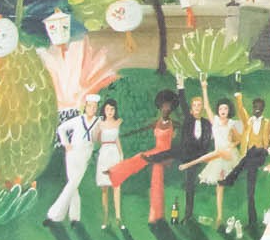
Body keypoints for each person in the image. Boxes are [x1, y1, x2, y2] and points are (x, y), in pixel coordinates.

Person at [106, 89, 178, 224]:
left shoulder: (174, 124)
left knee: (156, 179)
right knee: (146, 166)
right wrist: (124, 134)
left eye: (168, 109)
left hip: (164, 154)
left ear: (171, 110)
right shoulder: (156, 123)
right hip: (156, 151)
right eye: (163, 108)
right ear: (160, 108)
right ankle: (115, 172)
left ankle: (156, 216)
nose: (165, 110)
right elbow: (140, 130)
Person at [178, 79, 241, 230]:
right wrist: (204, 87)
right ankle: (219, 216)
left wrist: (231, 146)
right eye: (220, 109)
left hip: (228, 155)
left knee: (222, 183)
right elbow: (206, 106)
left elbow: (239, 139)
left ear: (228, 111)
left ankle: (223, 217)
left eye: (225, 109)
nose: (223, 111)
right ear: (218, 111)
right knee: (219, 185)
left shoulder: (231, 124)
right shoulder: (216, 122)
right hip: (219, 154)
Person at [220, 90, 270, 229]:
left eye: (259, 107)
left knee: (252, 152)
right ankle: (252, 220)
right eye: (254, 107)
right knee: (250, 189)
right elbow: (240, 109)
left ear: (263, 109)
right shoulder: (249, 121)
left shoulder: (268, 122)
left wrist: (269, 148)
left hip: (261, 154)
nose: (256, 109)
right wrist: (238, 94)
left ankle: (231, 178)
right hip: (250, 159)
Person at [44, 92, 100, 227]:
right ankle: (75, 218)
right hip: (72, 154)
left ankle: (53, 215)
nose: (92, 109)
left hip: (84, 155)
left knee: (73, 183)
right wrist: (66, 143)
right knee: (72, 185)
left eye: (94, 107)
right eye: (89, 106)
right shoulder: (78, 120)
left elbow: (99, 139)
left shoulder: (98, 122)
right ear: (85, 107)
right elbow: (61, 128)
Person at [172, 75, 213, 222]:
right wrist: (180, 85)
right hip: (189, 156)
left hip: (201, 156)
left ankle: (205, 212)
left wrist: (203, 155)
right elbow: (182, 102)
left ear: (202, 108)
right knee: (190, 185)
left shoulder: (206, 123)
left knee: (201, 183)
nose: (197, 108)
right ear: (191, 109)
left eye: (199, 105)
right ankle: (188, 214)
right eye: (195, 105)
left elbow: (207, 140)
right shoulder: (188, 120)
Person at [93, 98, 124, 230]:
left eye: (112, 109)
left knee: (116, 186)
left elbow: (116, 139)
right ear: (103, 111)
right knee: (105, 188)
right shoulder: (100, 124)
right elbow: (97, 140)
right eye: (107, 109)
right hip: (105, 154)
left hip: (114, 154)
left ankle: (118, 217)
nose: (110, 112)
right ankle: (106, 217)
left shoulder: (118, 122)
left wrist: (121, 154)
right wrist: (97, 129)